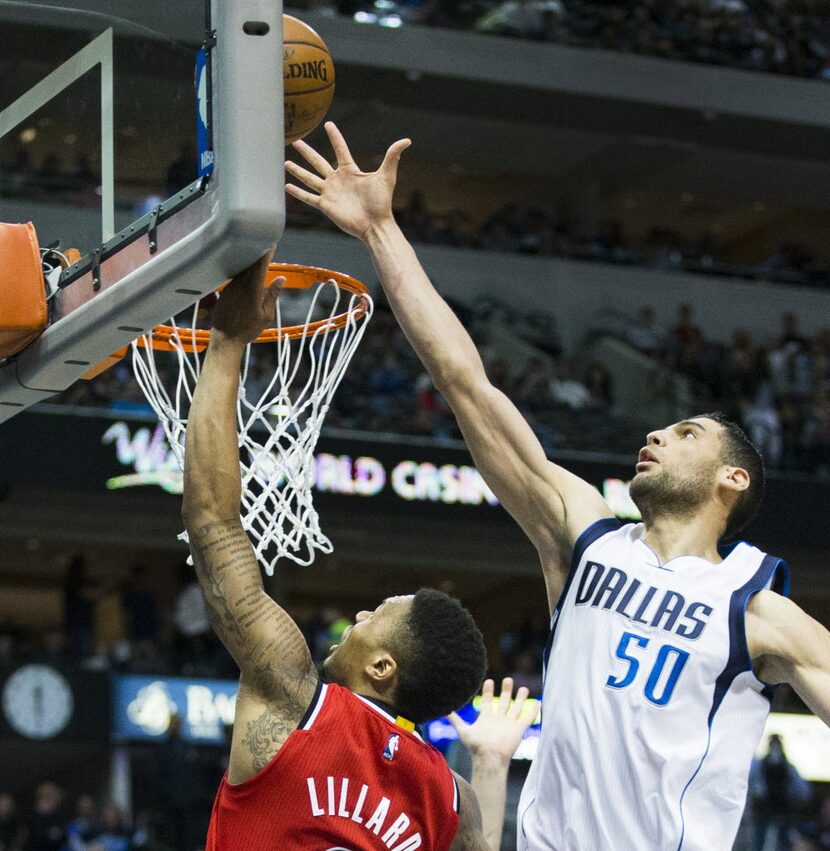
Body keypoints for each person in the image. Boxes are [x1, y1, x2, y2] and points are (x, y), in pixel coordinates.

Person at [285, 122, 830, 851]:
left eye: (687, 433)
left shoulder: (757, 607)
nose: (658, 435)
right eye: (661, 428)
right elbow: (466, 383)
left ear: (733, 478)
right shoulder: (586, 533)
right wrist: (381, 230)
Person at [180, 257, 536, 850]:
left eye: (376, 617)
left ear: (382, 669)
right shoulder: (453, 802)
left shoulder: (295, 697)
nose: (360, 618)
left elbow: (213, 520)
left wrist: (226, 343)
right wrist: (492, 765)